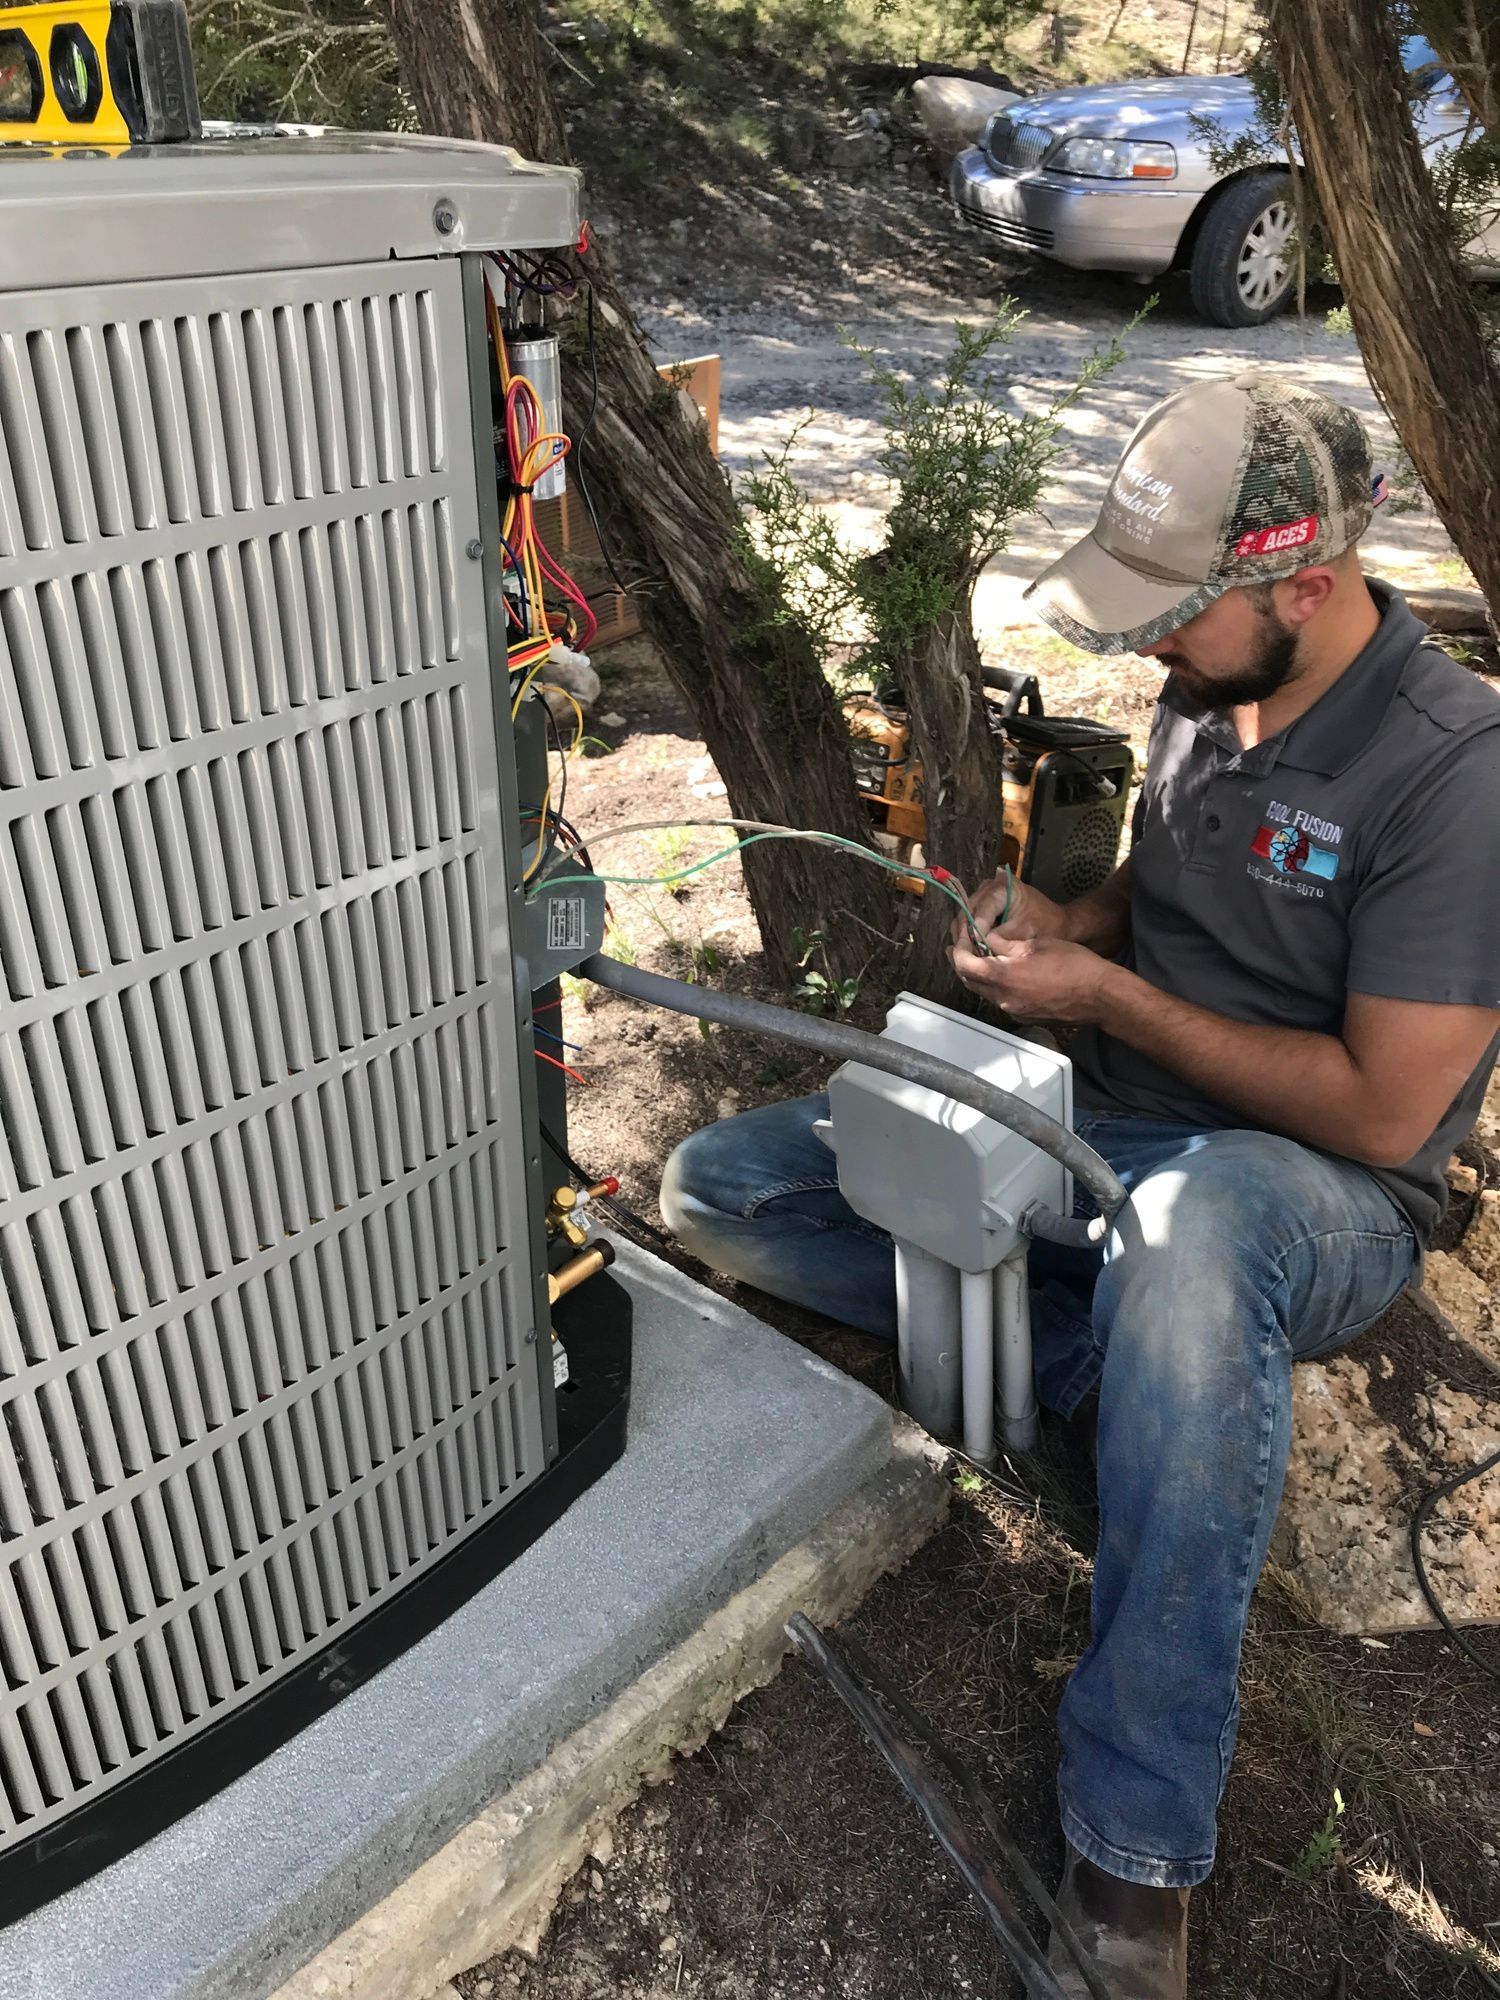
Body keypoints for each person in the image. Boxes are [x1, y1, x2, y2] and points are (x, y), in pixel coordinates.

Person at [659, 372, 1500, 1999]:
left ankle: (1135, 1851)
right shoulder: (1213, 682)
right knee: (726, 1188)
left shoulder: (1456, 776)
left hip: (1305, 1186)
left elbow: (1390, 1115)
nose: (1143, 654)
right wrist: (1062, 932)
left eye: (1169, 623)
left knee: (1187, 1249)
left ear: (1303, 588)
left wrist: (1107, 1001)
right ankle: (1130, 1385)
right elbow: (1151, 896)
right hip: (1100, 1103)